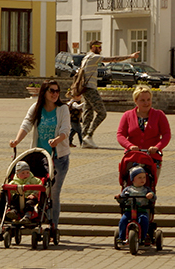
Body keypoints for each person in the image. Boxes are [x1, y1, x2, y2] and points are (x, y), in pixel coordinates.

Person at [9, 79, 70, 235]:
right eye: (52, 91)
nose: (55, 94)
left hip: (58, 157)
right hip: (39, 157)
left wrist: (57, 140)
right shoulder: (36, 108)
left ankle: (53, 226)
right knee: (37, 189)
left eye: (57, 91)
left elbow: (65, 129)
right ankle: (34, 216)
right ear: (44, 92)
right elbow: (26, 124)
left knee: (53, 193)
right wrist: (16, 141)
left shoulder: (63, 109)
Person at [77, 39, 139, 149]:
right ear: (93, 47)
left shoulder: (86, 57)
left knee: (88, 114)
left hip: (84, 89)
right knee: (102, 113)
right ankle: (88, 136)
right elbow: (113, 59)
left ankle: (84, 141)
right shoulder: (93, 57)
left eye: (101, 47)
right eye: (98, 47)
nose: (100, 50)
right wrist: (131, 56)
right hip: (90, 89)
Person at [116, 85, 171, 170]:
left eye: (148, 100)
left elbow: (166, 134)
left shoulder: (159, 115)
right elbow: (120, 135)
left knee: (149, 182)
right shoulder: (127, 115)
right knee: (132, 181)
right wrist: (130, 146)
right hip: (132, 157)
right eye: (142, 100)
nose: (146, 103)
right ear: (136, 101)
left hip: (152, 158)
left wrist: (157, 147)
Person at [118, 166, 154, 241]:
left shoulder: (146, 189)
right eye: (139, 177)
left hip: (142, 211)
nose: (142, 179)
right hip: (129, 211)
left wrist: (151, 195)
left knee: (144, 220)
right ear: (133, 179)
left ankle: (143, 237)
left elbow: (153, 197)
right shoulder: (128, 189)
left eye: (144, 177)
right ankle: (121, 237)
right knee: (123, 220)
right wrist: (119, 198)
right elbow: (122, 200)